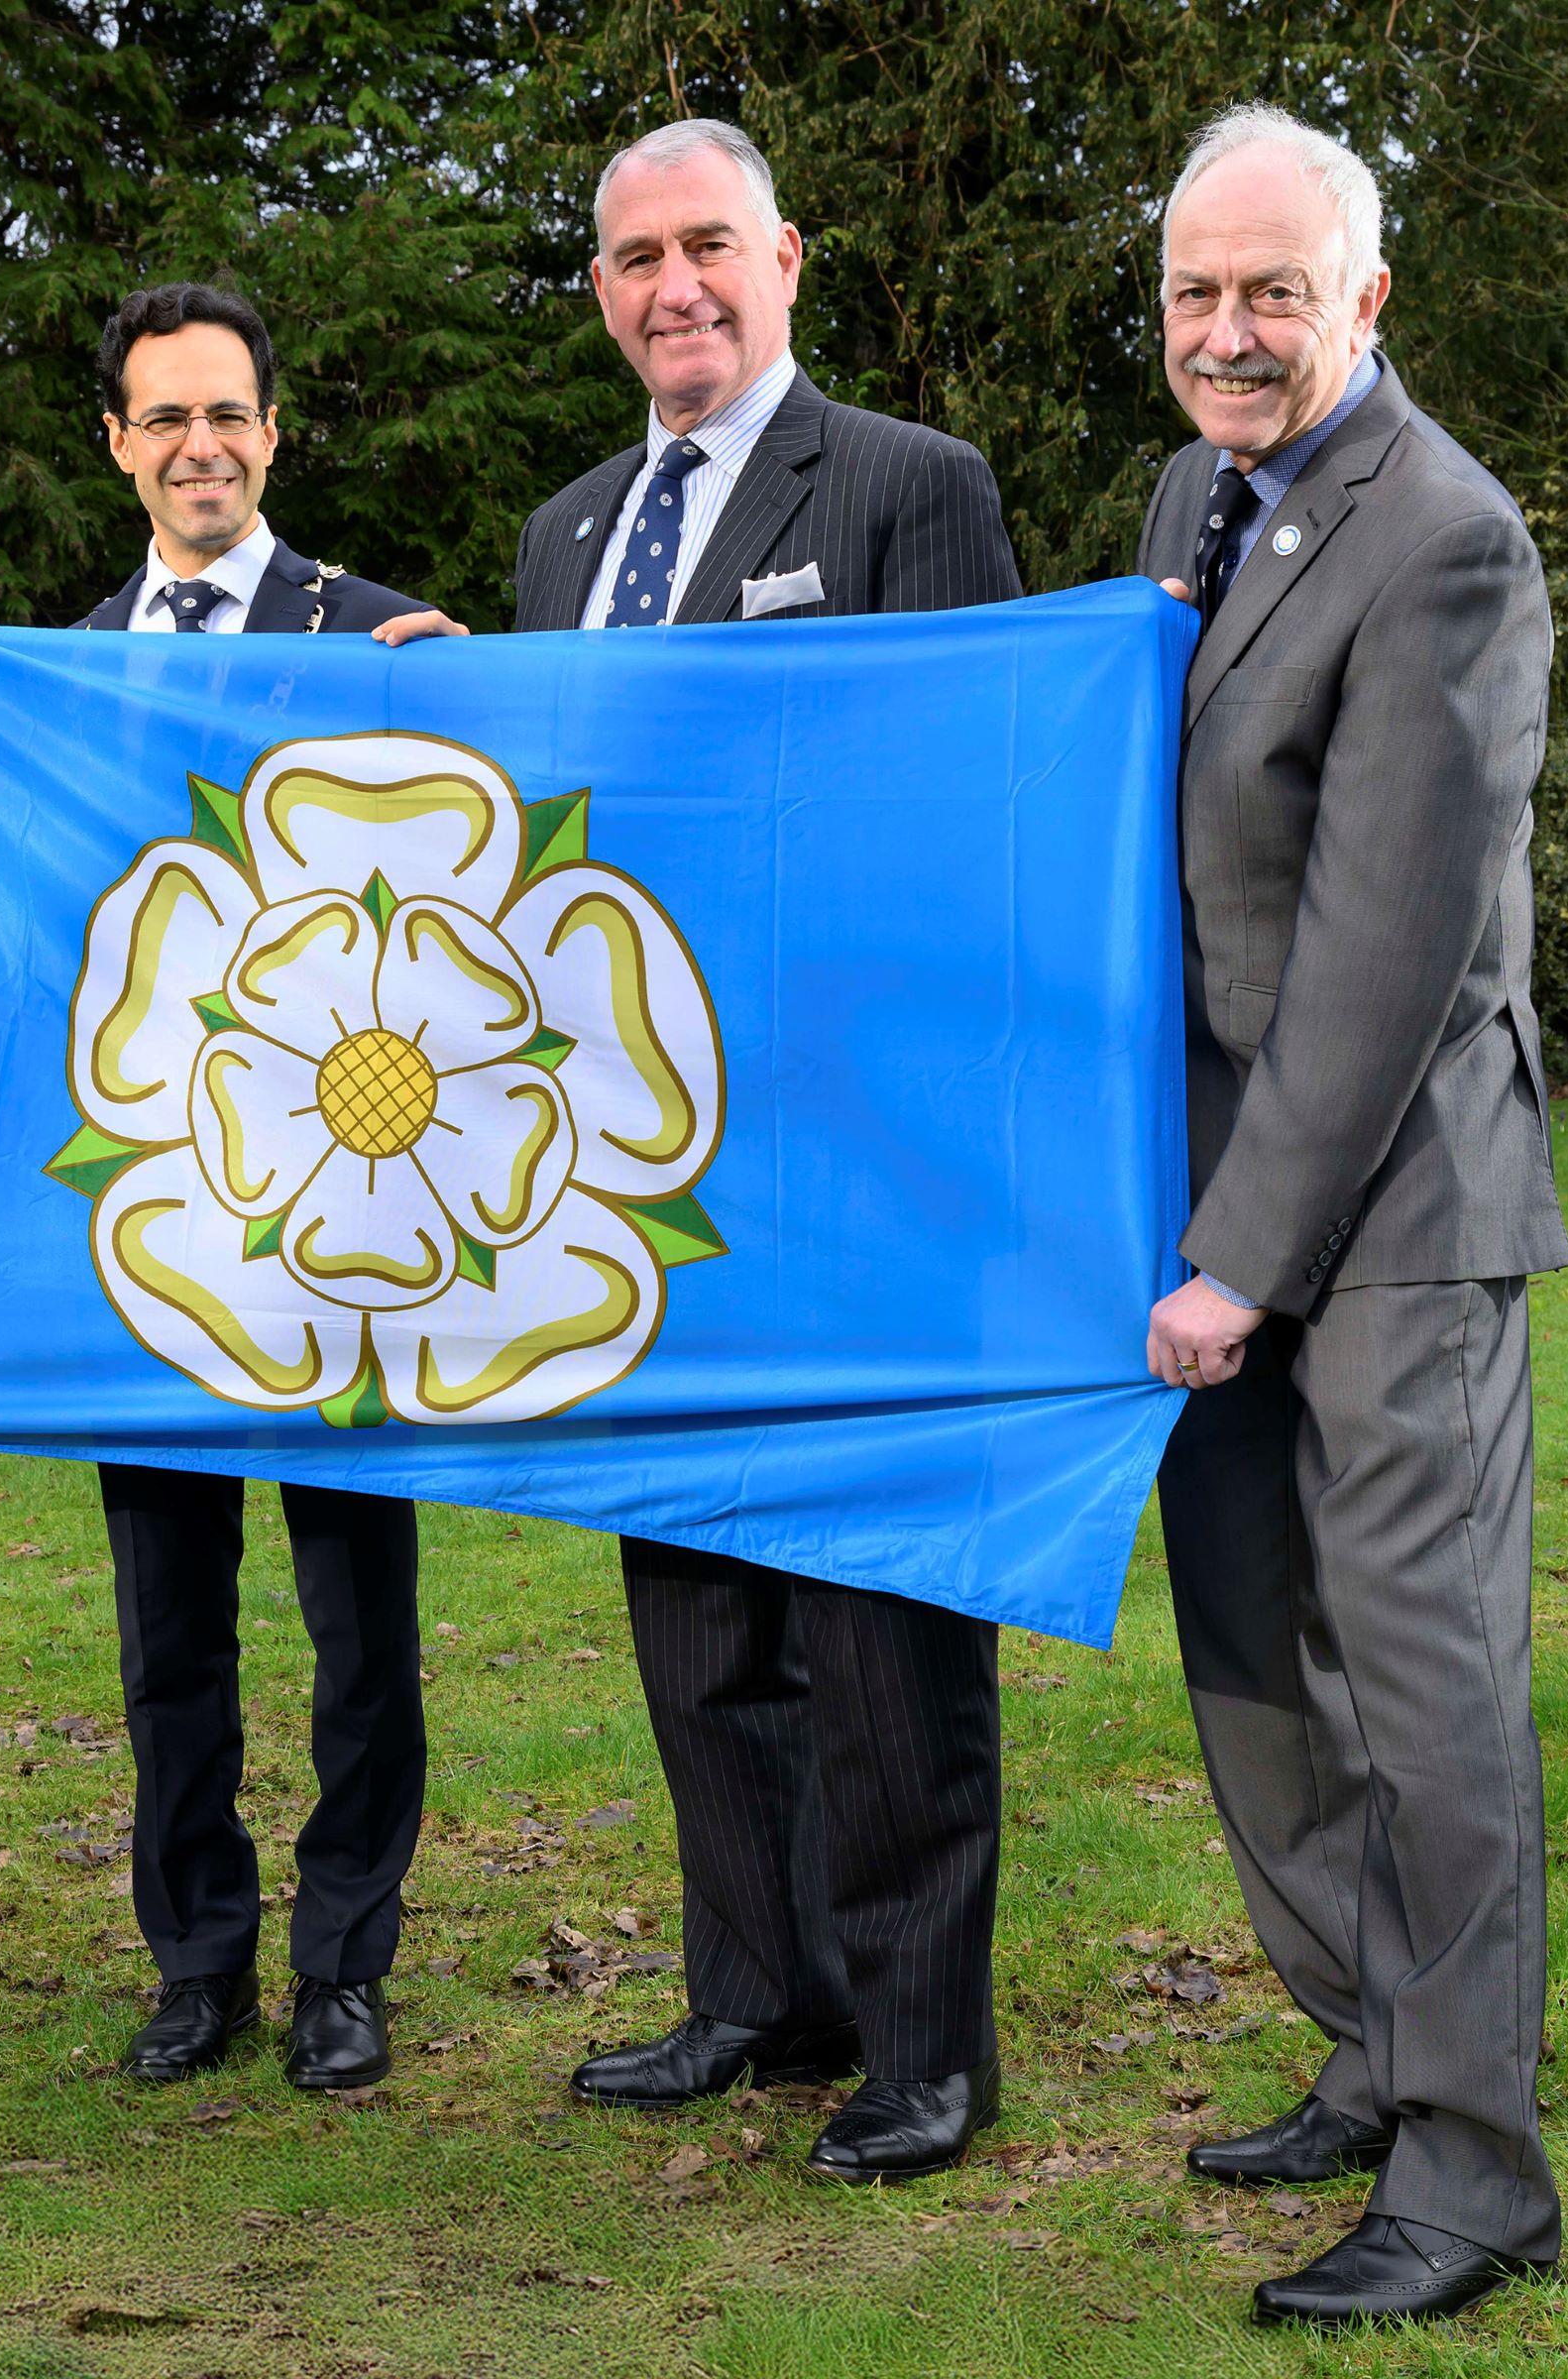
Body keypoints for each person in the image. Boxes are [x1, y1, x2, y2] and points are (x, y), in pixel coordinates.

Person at [516, 120, 1026, 2183]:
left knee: (879, 1613)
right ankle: (762, 1988)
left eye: (706, 246)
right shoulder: (562, 540)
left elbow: (970, 809)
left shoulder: (911, 488)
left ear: (786, 257)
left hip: (862, 1155)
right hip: (641, 1164)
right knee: (702, 1603)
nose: (673, 290)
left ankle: (923, 2043)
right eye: (635, 259)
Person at [1137, 104, 1568, 2326]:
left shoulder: (1447, 543)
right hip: (1218, 1205)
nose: (1227, 332)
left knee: (1422, 1700)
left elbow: (1387, 955)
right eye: (1198, 292)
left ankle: (1477, 2173)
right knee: (1255, 1672)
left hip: (1394, 1214)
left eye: (1272, 293)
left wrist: (1241, 1258)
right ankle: (1377, 2052)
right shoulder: (1200, 498)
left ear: (1365, 298)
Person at [76, 283, 454, 2093]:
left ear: (273, 434)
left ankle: (345, 1961)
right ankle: (196, 1957)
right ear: (121, 444)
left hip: (357, 1208)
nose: (200, 446)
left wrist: (471, 696)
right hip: (155, 1212)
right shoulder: (60, 664)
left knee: (356, 1623)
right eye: (165, 419)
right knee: (170, 1632)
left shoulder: (388, 636)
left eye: (229, 413)